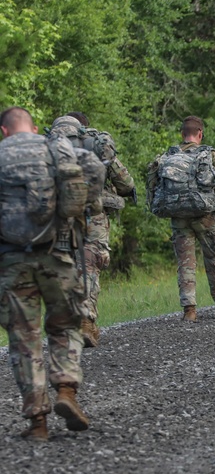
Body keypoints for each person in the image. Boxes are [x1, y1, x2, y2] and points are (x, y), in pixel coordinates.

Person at [0, 107, 103, 441]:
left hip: (11, 260)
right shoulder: (54, 147)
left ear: (4, 131)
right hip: (58, 253)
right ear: (33, 126)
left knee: (24, 339)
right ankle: (66, 391)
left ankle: (38, 423)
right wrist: (88, 206)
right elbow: (94, 168)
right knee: (65, 325)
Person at [47, 113, 135, 347]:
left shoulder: (45, 147)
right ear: (83, 129)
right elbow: (126, 183)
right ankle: (85, 322)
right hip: (91, 214)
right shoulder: (94, 144)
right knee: (90, 262)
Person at [146, 116, 215, 321]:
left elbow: (153, 183)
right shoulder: (209, 154)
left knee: (185, 262)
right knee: (213, 257)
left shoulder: (167, 156)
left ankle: (189, 311)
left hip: (178, 216)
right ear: (200, 133)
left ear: (182, 134)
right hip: (204, 215)